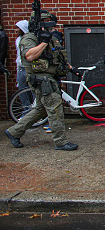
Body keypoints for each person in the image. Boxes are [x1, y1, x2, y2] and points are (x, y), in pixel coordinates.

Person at [5, 10, 79, 151]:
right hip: (42, 80)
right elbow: (29, 56)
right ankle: (61, 142)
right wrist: (44, 42)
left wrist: (71, 69)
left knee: (40, 110)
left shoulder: (50, 37)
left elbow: (57, 57)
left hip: (50, 78)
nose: (49, 25)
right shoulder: (30, 38)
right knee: (55, 110)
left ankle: (14, 131)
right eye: (45, 22)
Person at [15, 20, 32, 108]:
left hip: (29, 67)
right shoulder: (18, 40)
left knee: (33, 91)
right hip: (21, 68)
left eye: (19, 28)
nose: (17, 30)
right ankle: (26, 110)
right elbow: (18, 55)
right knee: (22, 91)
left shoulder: (30, 40)